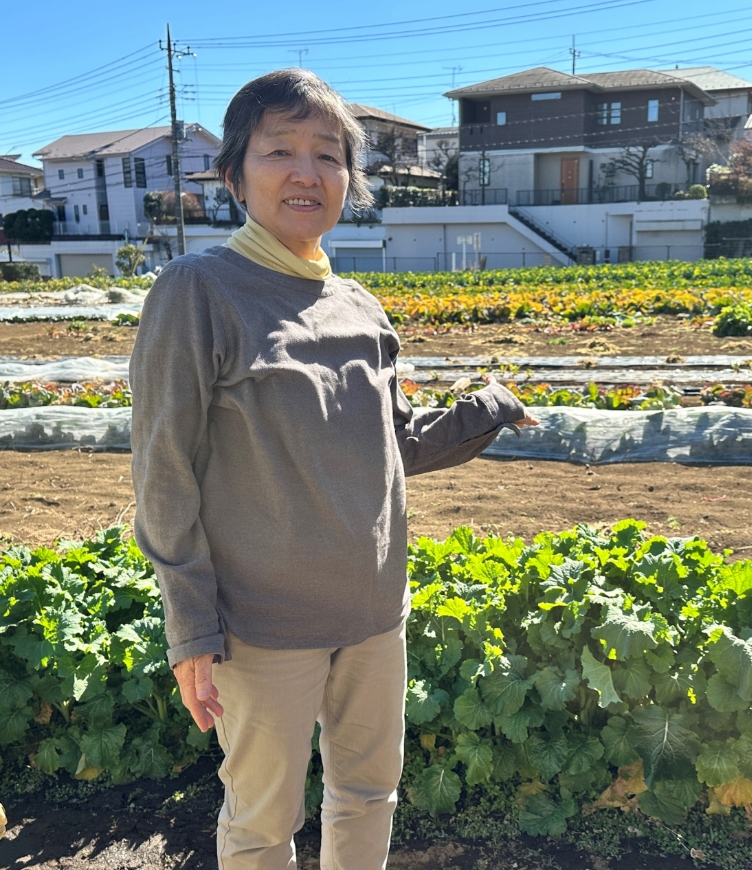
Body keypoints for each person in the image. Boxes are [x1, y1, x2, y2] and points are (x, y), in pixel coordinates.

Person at [129, 67, 538, 870]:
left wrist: (486, 408)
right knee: (262, 823)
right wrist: (192, 628)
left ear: (349, 178)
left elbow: (394, 447)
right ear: (234, 175)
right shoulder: (198, 290)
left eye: (328, 154)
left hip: (375, 616)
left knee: (368, 794)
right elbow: (164, 471)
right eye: (279, 149)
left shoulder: (360, 306)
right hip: (263, 628)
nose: (306, 172)